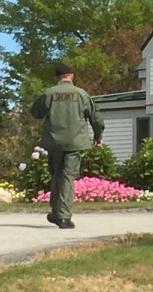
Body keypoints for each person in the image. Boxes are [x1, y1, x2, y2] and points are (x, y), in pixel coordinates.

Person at [30, 63, 104, 229]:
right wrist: (98, 135)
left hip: (54, 142)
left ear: (57, 78)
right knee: (68, 178)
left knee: (56, 175)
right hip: (75, 142)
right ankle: (63, 217)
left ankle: (56, 212)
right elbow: (96, 118)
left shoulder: (49, 93)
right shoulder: (82, 94)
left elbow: (35, 112)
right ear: (72, 76)